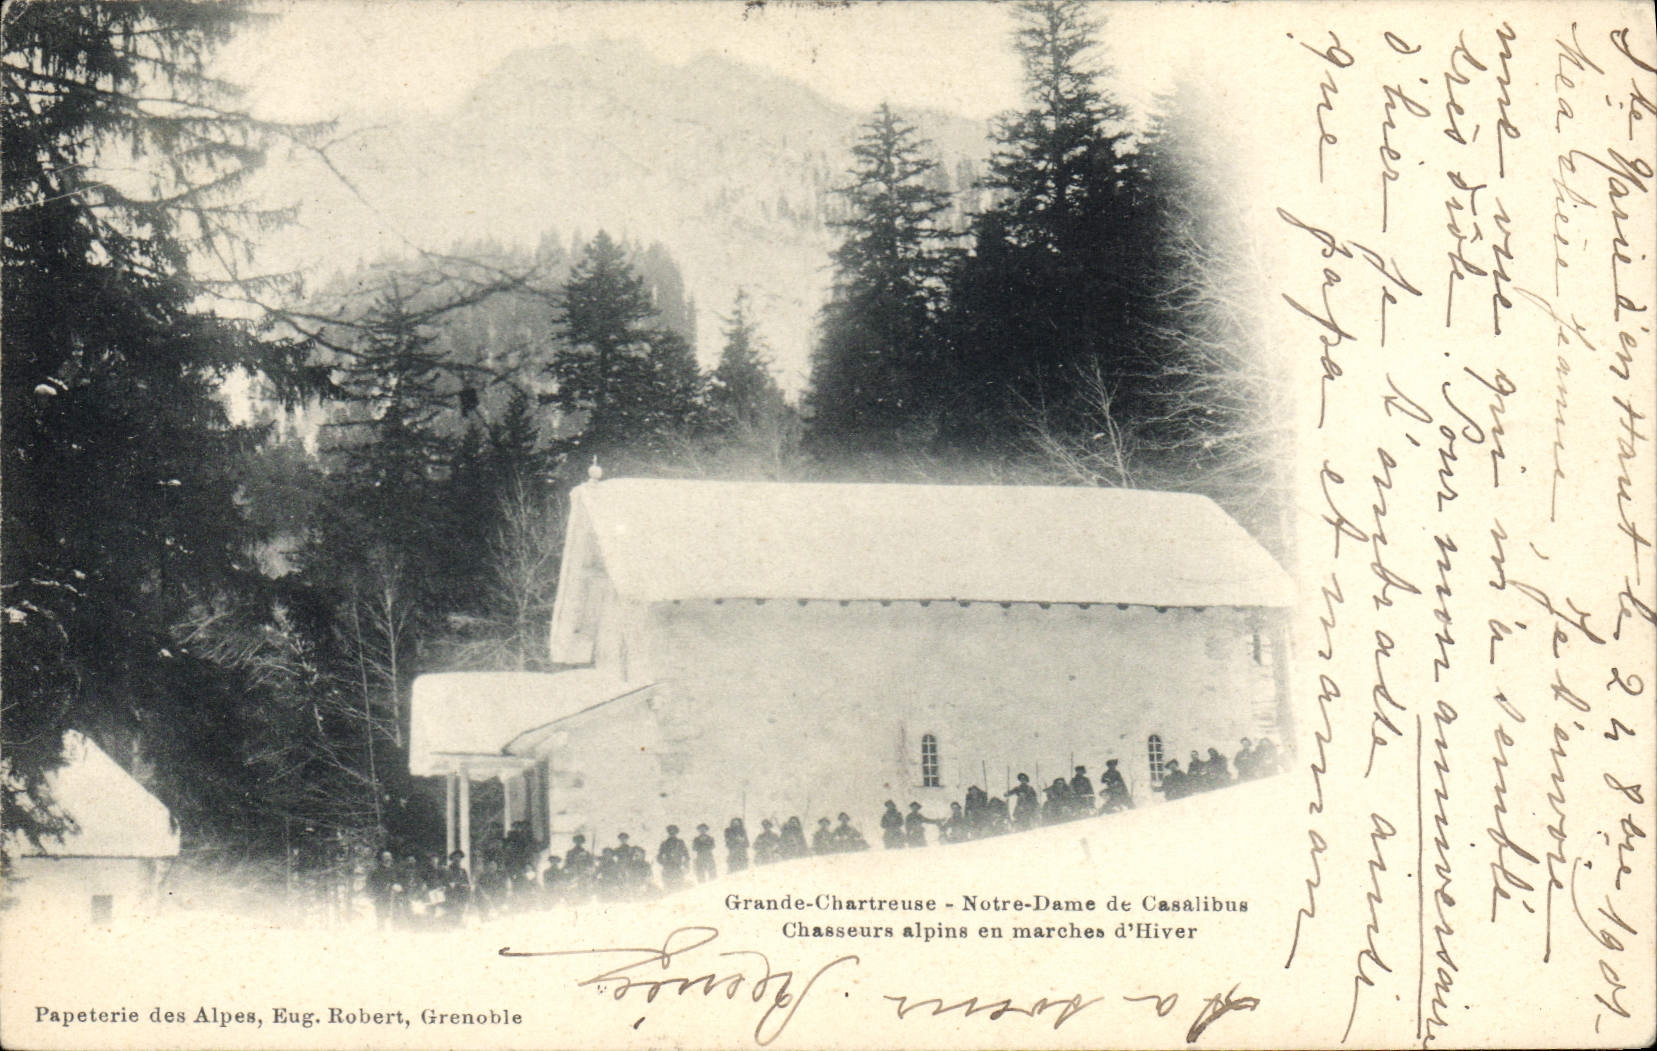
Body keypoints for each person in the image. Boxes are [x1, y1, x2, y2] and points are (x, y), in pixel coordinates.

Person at [365, 850, 398, 930]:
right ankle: (380, 930)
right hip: (379, 895)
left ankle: (392, 930)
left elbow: (394, 881)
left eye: (389, 857)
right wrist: (372, 893)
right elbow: (369, 882)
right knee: (380, 913)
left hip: (390, 895)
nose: (388, 859)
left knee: (389, 913)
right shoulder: (376, 870)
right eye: (386, 857)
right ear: (382, 858)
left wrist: (395, 886)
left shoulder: (392, 870)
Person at [443, 850, 471, 926]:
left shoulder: (463, 871)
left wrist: (468, 895)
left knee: (461, 916)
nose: (458, 860)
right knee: (452, 916)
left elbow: (467, 884)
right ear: (452, 859)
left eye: (459, 858)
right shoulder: (448, 870)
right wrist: (458, 885)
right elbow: (447, 884)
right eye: (456, 858)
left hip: (462, 897)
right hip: (452, 897)